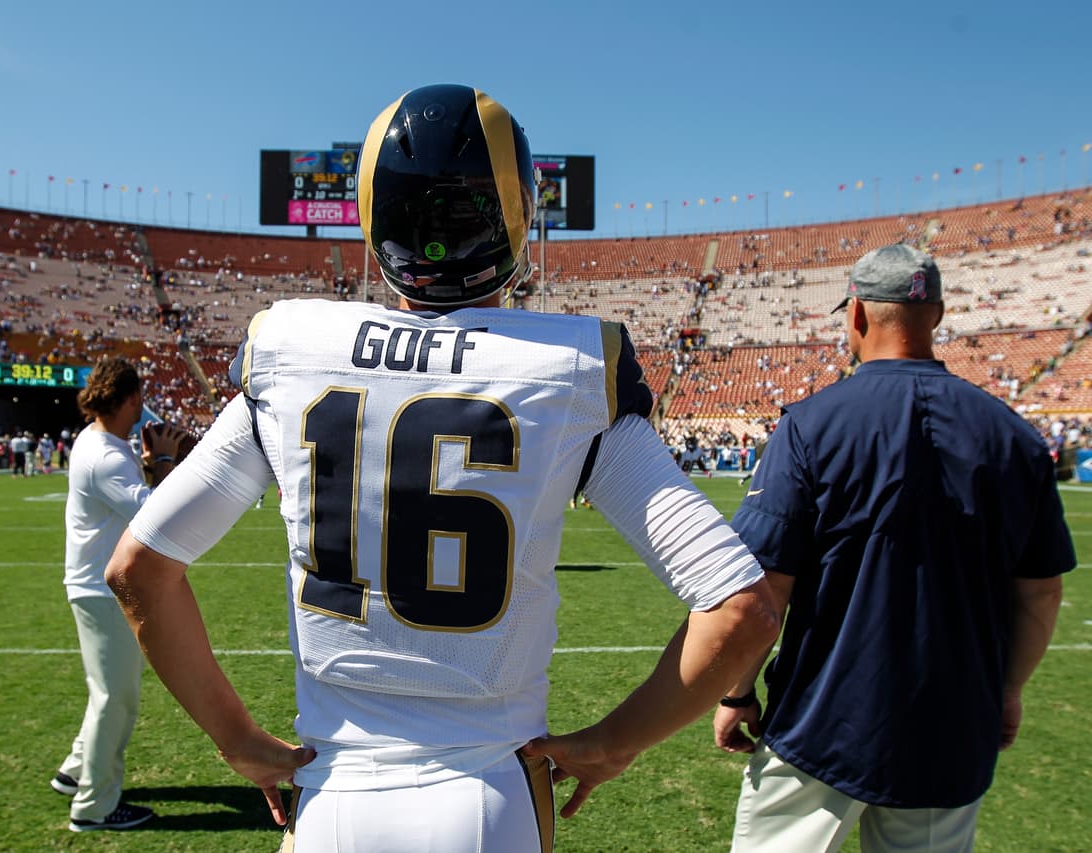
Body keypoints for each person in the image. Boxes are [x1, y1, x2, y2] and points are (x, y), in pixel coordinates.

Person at [104, 84, 779, 851]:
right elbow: (742, 609)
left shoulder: (290, 350)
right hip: (491, 792)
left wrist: (234, 736)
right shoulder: (569, 368)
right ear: (516, 213)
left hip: (331, 791)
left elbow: (138, 568)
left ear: (373, 213)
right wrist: (616, 739)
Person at [713, 243, 1076, 852]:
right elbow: (1041, 593)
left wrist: (737, 690)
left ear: (855, 314)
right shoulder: (1012, 435)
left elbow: (764, 588)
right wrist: (1008, 690)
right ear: (936, 315)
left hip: (819, 720)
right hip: (954, 721)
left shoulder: (810, 423)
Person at [52, 356, 189, 832]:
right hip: (100, 588)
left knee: (105, 692)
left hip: (93, 583)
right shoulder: (107, 455)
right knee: (116, 698)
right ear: (130, 398)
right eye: (140, 400)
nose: (143, 410)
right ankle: (93, 808)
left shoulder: (98, 442)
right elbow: (157, 518)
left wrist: (151, 466)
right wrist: (166, 463)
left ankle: (75, 771)